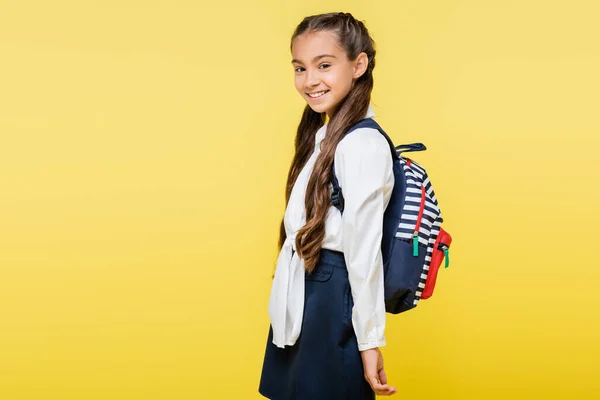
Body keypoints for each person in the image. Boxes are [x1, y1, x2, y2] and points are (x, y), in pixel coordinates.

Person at [259, 12, 398, 399]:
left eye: (324, 65)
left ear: (358, 65)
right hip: (306, 287)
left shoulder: (362, 144)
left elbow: (364, 250)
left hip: (331, 292)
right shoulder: (325, 135)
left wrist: (369, 341)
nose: (310, 80)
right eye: (300, 68)